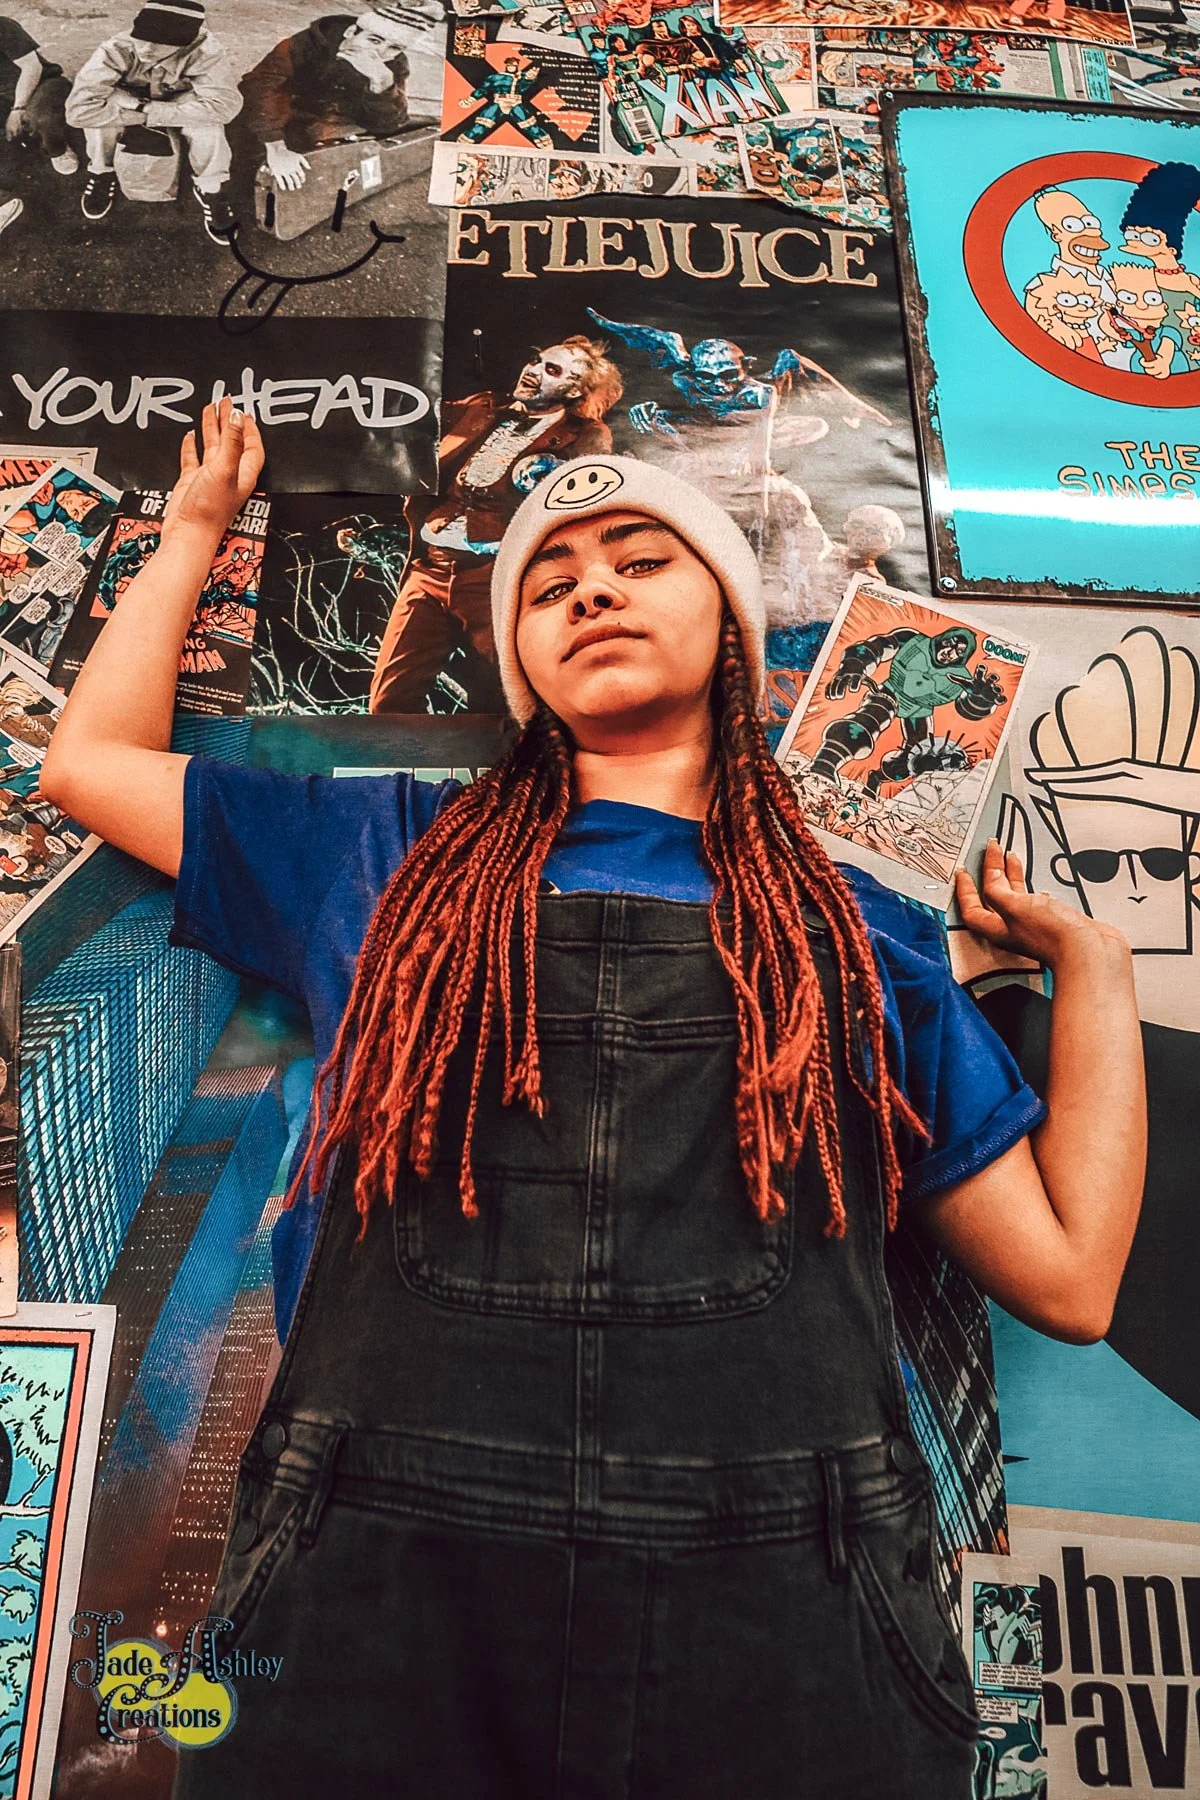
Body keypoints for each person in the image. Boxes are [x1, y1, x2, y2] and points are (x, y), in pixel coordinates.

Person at [40, 403, 1146, 1799]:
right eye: (549, 584)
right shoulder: (379, 846)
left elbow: (1071, 1279)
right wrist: (194, 528)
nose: (592, 590)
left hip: (781, 1632)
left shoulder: (857, 935)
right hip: (382, 1611)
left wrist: (1095, 969)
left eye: (641, 561)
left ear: (733, 626)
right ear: (517, 664)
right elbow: (87, 766)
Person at [370, 337, 623, 713]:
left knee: (498, 701)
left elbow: (582, 499)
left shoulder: (586, 435)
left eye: (552, 370)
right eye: (536, 360)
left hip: (494, 577)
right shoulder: (485, 406)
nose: (533, 370)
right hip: (430, 568)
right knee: (389, 700)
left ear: (573, 391)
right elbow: (414, 409)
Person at [64, 0, 240, 241]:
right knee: (99, 117)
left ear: (183, 43)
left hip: (175, 102)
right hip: (133, 102)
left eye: (161, 42)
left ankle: (211, 187)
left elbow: (225, 107)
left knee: (209, 126)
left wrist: (148, 110)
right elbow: (77, 112)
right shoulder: (116, 48)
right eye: (141, 37)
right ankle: (102, 171)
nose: (146, 48)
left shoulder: (206, 51)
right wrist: (138, 108)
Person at [238, 4, 439, 195]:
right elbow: (260, 89)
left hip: (336, 123)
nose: (379, 53)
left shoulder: (393, 64)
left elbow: (388, 125)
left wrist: (382, 84)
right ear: (351, 32)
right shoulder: (305, 44)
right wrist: (276, 147)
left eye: (394, 47)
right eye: (374, 40)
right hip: (283, 117)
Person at [0, 15, 76, 237]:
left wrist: (18, 109)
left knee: (40, 118)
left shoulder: (2, 25)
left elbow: (32, 68)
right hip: (3, 98)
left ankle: (56, 148)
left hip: (42, 84)